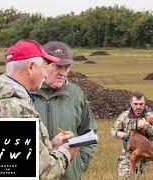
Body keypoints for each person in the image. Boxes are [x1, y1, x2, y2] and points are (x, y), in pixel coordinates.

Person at [0, 39, 79, 179]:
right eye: (44, 67)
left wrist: (50, 145)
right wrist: (66, 153)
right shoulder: (15, 107)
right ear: (31, 67)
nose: (45, 75)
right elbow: (41, 173)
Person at [32, 41, 98, 180]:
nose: (63, 72)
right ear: (42, 65)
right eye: (57, 66)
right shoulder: (25, 95)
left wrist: (80, 164)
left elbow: (89, 132)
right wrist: (51, 145)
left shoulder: (76, 94)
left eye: (66, 67)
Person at [110, 91, 153, 177]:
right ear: (131, 103)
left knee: (145, 177)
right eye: (135, 104)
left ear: (144, 103)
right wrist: (118, 133)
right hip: (128, 154)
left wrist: (146, 126)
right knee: (125, 177)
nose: (138, 106)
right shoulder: (124, 116)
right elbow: (113, 131)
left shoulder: (151, 116)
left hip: (147, 154)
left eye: (141, 104)